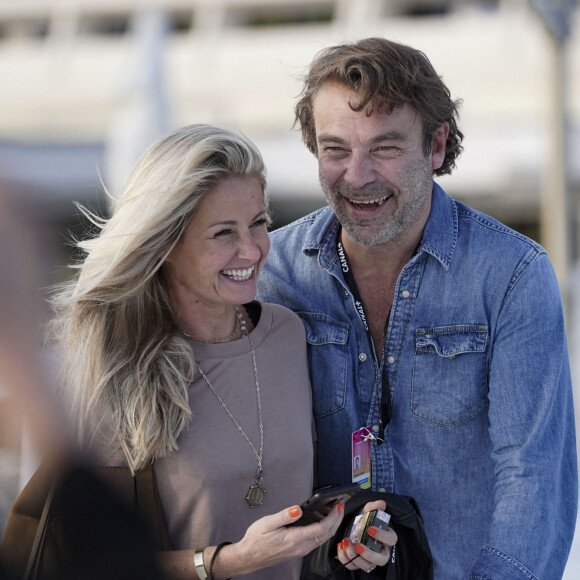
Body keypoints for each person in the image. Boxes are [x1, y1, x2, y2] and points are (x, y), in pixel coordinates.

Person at [257, 37, 577, 579]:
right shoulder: (274, 273)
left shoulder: (513, 275)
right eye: (335, 149)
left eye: (384, 148)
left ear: (435, 146)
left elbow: (534, 475)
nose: (356, 176)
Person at [46, 123, 397, 580]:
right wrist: (230, 562)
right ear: (165, 243)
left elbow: (299, 509)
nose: (251, 249)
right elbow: (91, 560)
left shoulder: (287, 334)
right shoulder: (115, 365)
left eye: (258, 224)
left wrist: (347, 540)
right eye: (223, 233)